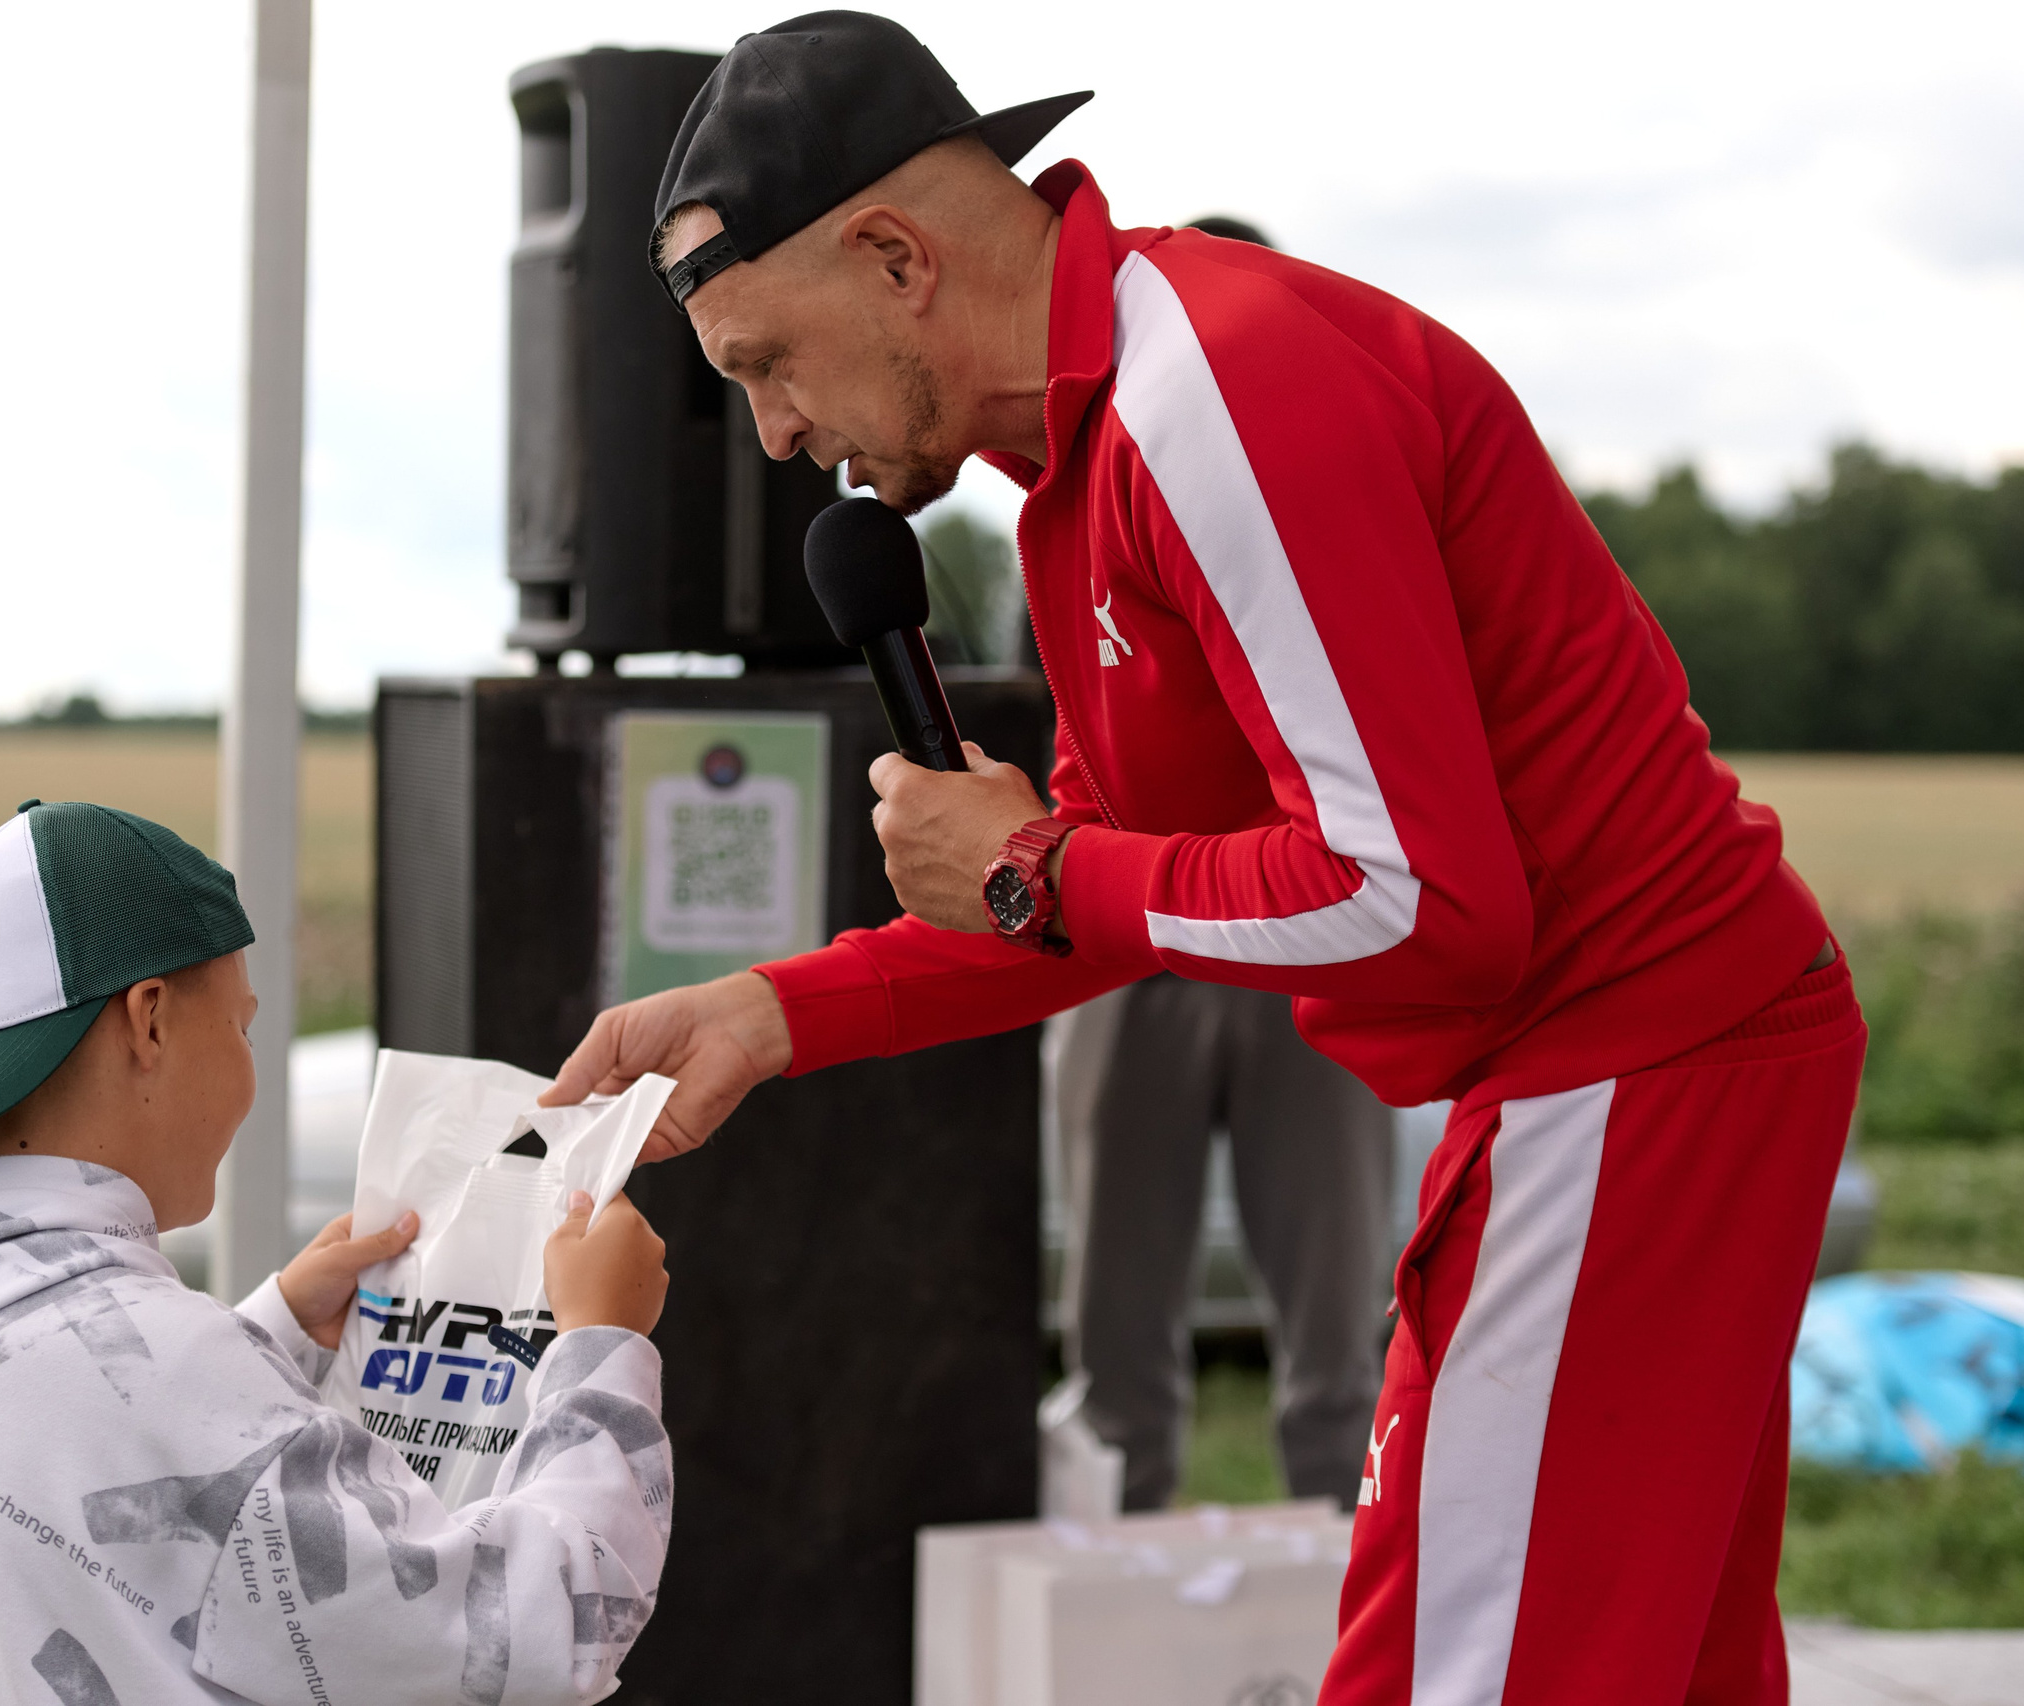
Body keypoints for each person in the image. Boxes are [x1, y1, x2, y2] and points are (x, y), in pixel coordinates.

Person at [548, 14, 1861, 1703]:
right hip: (1649, 1068)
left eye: (764, 365)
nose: (780, 436)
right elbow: (1117, 891)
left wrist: (1030, 866)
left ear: (896, 259)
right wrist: (772, 1009)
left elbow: (1414, 904)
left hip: (1628, 1068)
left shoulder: (1208, 397)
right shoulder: (1095, 462)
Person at [0, 800, 674, 1706]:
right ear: (149, 1021)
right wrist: (601, 1348)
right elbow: (541, 1631)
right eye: (240, 1027)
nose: (248, 1071)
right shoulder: (175, 1375)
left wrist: (269, 1337)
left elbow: (94, 1455)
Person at [1052, 214, 1393, 1515]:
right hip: (1136, 947)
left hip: (1308, 948)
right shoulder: (1101, 490)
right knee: (1114, 1343)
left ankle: (1353, 1616)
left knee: (1338, 1342)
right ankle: (1112, 1607)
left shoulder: (1319, 487)